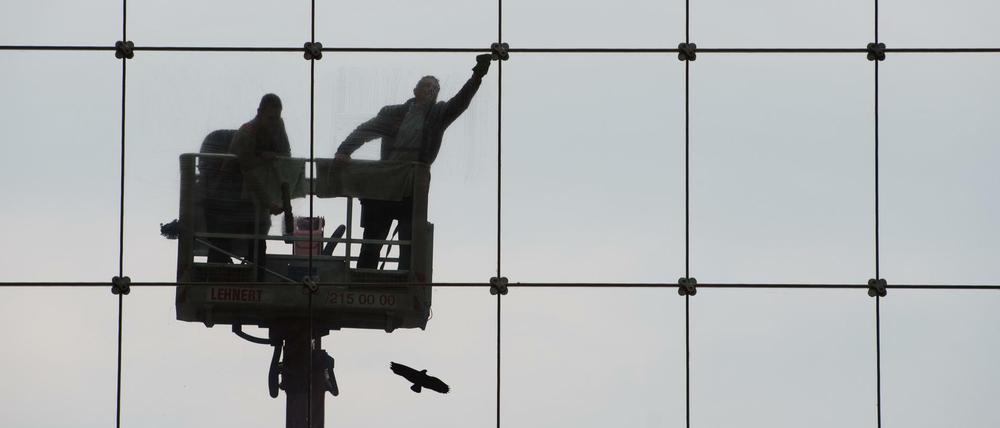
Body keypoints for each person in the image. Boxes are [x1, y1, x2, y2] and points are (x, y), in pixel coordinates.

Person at [334, 54, 493, 270]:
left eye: (435, 89)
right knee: (374, 237)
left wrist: (477, 75)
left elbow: (461, 101)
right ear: (415, 90)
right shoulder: (393, 113)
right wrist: (344, 151)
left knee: (409, 241)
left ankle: (403, 281)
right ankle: (365, 277)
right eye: (427, 86)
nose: (432, 90)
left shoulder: (438, 114)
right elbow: (366, 130)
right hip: (386, 183)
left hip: (413, 187)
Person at [220, 93, 292, 277]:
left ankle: (257, 276)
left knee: (259, 238)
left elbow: (286, 158)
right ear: (259, 112)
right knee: (255, 239)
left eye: (276, 118)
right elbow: (249, 173)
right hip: (234, 195)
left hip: (257, 196)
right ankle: (253, 278)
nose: (273, 122)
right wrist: (269, 203)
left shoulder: (276, 126)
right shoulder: (247, 133)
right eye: (269, 118)